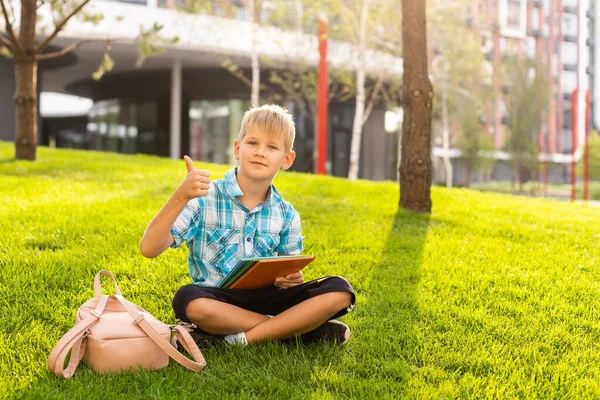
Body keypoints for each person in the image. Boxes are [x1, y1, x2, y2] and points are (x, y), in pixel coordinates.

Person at [140, 104, 355, 347]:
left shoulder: (287, 214)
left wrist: (293, 279)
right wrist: (180, 196)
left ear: (287, 159)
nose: (260, 152)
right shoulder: (203, 198)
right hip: (216, 300)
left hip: (266, 298)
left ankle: (232, 340)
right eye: (252, 143)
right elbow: (149, 248)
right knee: (187, 299)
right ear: (237, 148)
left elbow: (288, 274)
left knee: (340, 289)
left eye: (272, 147)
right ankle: (293, 328)